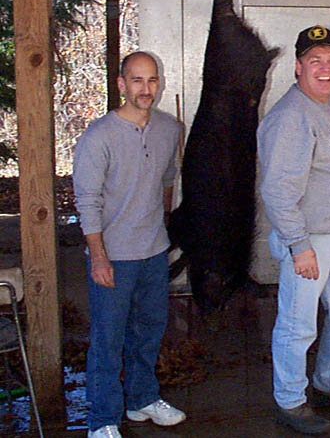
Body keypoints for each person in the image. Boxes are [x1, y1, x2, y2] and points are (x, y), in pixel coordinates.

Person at [258, 25, 330, 435]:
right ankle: (290, 401)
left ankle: (329, 383)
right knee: (297, 325)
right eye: (315, 61)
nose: (325, 69)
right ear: (297, 67)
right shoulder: (292, 116)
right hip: (308, 241)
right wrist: (298, 246)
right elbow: (276, 189)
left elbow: (325, 164)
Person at [73, 52, 186, 438]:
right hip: (114, 257)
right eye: (137, 81)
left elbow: (168, 180)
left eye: (152, 80)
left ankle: (141, 399)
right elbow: (87, 201)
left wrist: (162, 228)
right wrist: (99, 256)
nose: (146, 89)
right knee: (108, 340)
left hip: (154, 252)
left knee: (150, 329)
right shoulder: (98, 136)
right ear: (121, 84)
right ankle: (102, 420)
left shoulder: (170, 128)